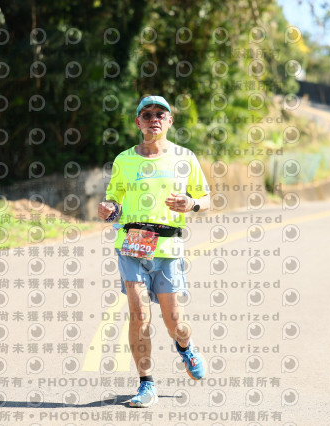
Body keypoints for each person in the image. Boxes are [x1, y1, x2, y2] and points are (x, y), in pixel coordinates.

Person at [98, 95, 210, 408]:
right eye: (146, 115)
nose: (153, 119)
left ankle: (185, 347)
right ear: (138, 122)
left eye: (160, 114)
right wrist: (109, 209)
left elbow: (207, 198)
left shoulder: (185, 157)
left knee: (175, 324)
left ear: (170, 121)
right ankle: (146, 383)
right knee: (139, 315)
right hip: (132, 244)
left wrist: (192, 203)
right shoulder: (123, 160)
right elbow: (115, 203)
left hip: (168, 248)